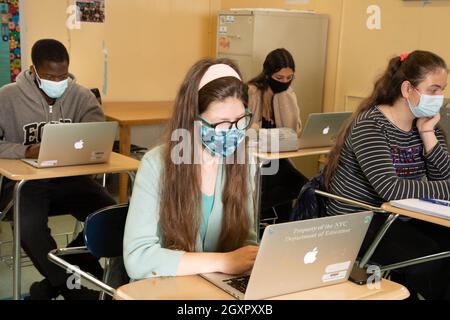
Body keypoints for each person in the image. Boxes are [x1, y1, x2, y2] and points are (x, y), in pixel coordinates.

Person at [324, 50, 450, 300]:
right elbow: (390, 190)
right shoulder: (370, 125)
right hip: (358, 220)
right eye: (434, 89)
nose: (440, 98)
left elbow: (444, 177)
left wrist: (427, 134)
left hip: (399, 216)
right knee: (431, 259)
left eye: (443, 90)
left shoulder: (423, 123)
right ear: (407, 89)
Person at [0, 39, 116, 299]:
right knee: (29, 227)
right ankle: (72, 290)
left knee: (115, 217)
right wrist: (26, 151)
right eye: (50, 76)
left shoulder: (81, 95)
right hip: (25, 182)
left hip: (70, 179)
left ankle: (54, 281)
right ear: (33, 71)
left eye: (62, 75)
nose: (58, 81)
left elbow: (97, 136)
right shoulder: (6, 97)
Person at [123, 58, 258, 279]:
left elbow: (246, 240)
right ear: (192, 120)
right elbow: (138, 258)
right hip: (165, 289)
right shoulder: (156, 165)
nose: (233, 132)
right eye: (221, 123)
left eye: (240, 120)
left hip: (217, 287)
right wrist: (224, 261)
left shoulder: (244, 162)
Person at [247, 48, 308, 223]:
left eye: (289, 78)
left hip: (279, 159)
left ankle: (278, 226)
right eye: (279, 78)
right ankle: (253, 216)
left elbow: (293, 133)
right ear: (267, 74)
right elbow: (247, 132)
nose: (284, 82)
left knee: (304, 187)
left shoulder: (287, 94)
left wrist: (284, 98)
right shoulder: (252, 92)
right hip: (255, 160)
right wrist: (263, 133)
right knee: (279, 189)